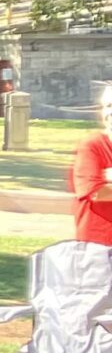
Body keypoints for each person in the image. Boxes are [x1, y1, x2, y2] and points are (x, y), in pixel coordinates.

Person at [75, 88, 112, 246]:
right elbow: (96, 193)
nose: (110, 112)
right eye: (108, 106)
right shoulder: (93, 145)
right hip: (98, 248)